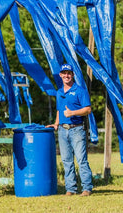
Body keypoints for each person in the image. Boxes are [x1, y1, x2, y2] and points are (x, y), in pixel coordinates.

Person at [46, 63, 93, 196]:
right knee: (67, 160)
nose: (66, 75)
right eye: (64, 73)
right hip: (62, 130)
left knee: (81, 159)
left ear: (72, 75)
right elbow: (59, 110)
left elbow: (88, 110)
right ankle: (71, 189)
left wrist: (72, 113)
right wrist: (56, 124)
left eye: (69, 73)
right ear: (60, 75)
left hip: (77, 130)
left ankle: (87, 188)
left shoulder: (80, 91)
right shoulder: (59, 92)